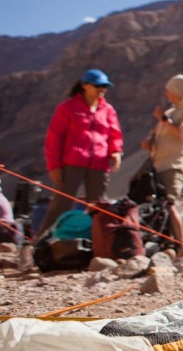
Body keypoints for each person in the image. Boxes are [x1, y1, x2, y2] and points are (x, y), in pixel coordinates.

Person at [38, 69, 123, 237]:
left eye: (105, 86)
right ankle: (43, 240)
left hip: (99, 164)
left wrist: (116, 151)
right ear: (84, 85)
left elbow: (114, 134)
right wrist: (54, 166)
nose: (102, 89)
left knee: (97, 206)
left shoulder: (108, 109)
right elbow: (54, 138)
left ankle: (96, 241)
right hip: (72, 163)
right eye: (98, 85)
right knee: (61, 203)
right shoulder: (67, 108)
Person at [143, 74, 183, 242]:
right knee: (158, 205)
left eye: (170, 90)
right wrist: (150, 142)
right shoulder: (170, 112)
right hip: (159, 164)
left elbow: (182, 134)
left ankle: (180, 243)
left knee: (170, 204)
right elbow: (158, 136)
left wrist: (163, 119)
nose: (167, 94)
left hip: (175, 164)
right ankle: (165, 241)